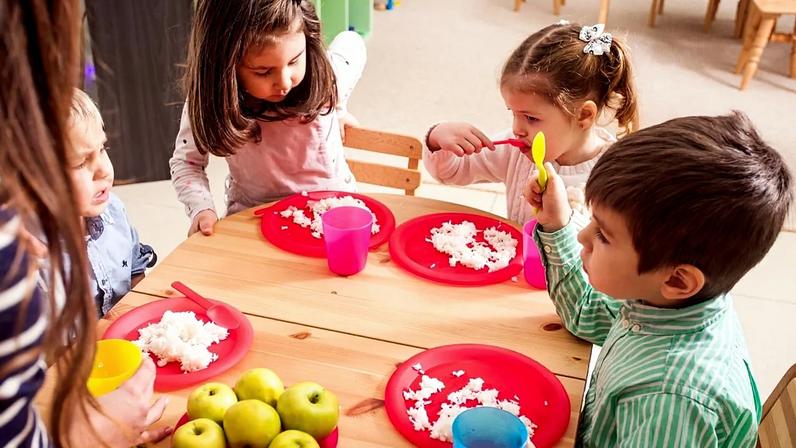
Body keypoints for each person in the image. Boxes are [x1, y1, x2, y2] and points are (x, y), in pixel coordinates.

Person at [526, 112, 792, 446]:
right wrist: (556, 223)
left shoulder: (670, 399)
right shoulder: (667, 300)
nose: (583, 236)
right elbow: (584, 313)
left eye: (605, 235)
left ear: (679, 280)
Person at [0, 1, 168, 445]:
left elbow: (135, 274)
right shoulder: (24, 258)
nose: (104, 171)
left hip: (122, 369)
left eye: (104, 150)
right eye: (81, 162)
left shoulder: (113, 215)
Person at [171, 0, 367, 236]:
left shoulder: (328, 75)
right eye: (263, 71)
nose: (285, 83)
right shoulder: (208, 103)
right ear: (226, 67)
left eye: (294, 61)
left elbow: (353, 43)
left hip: (332, 215)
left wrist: (337, 105)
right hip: (251, 220)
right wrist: (202, 209)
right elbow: (187, 163)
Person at [425, 22, 637, 223]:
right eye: (513, 113)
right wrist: (438, 138)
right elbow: (452, 173)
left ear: (583, 115)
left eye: (531, 118)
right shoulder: (516, 151)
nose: (517, 129)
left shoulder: (615, 175)